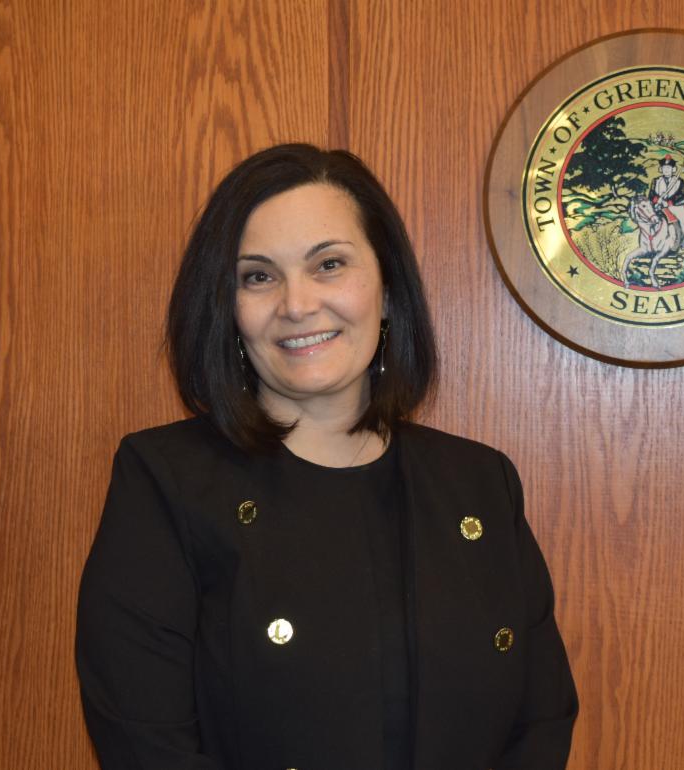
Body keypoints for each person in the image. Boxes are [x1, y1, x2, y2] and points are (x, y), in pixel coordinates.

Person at [76, 144, 578, 769]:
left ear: (388, 290)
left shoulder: (480, 483)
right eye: (258, 276)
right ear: (228, 309)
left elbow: (541, 720)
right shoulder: (164, 481)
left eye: (329, 264)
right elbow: (146, 745)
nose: (297, 304)